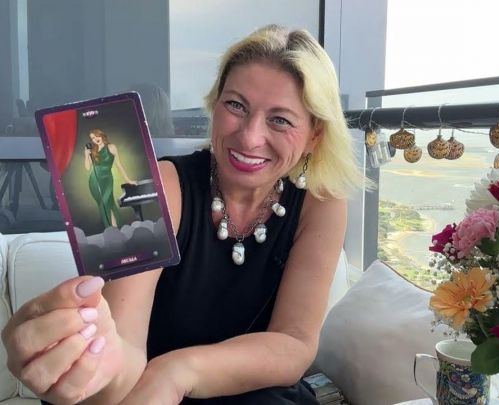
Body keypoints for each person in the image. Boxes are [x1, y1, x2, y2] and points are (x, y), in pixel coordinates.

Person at [1, 24, 362, 404]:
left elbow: (293, 342)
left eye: (280, 119)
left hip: (250, 391)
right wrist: (97, 362)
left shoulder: (322, 203)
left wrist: (176, 372)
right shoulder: (160, 186)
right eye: (236, 105)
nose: (250, 137)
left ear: (315, 135)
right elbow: (124, 353)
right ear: (215, 104)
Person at [84, 129, 135, 228]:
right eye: (92, 138)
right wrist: (86, 154)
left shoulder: (111, 147)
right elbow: (87, 168)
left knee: (107, 203)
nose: (95, 139)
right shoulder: (93, 150)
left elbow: (119, 165)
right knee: (104, 205)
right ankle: (113, 229)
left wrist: (128, 180)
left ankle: (117, 228)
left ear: (101, 135)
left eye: (96, 136)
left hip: (107, 180)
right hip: (94, 182)